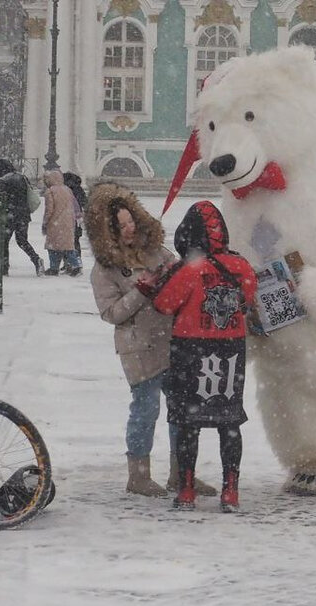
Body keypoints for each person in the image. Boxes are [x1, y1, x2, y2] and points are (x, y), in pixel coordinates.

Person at [86, 183, 217, 499]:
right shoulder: (105, 269)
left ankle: (181, 472)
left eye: (131, 221)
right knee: (146, 409)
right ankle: (139, 476)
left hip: (172, 339)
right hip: (139, 346)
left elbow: (182, 280)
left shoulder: (156, 251)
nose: (129, 229)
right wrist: (141, 291)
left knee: (182, 410)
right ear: (108, 232)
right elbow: (111, 313)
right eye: (121, 226)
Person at [140, 201, 257, 513]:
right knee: (229, 423)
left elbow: (165, 304)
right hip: (231, 353)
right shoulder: (241, 265)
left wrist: (154, 286)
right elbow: (249, 295)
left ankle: (187, 489)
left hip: (191, 352)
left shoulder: (191, 269)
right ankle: (230, 490)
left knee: (188, 423)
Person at [0, 158, 43, 275]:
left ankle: (4, 268)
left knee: (4, 241)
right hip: (23, 215)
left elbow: (2, 200)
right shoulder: (22, 177)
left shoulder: (3, 181)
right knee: (22, 241)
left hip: (9, 215)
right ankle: (36, 260)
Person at [41, 170, 81, 277]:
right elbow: (73, 204)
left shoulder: (50, 191)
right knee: (68, 246)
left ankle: (54, 268)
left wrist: (45, 222)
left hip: (55, 222)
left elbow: (49, 209)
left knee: (53, 246)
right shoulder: (67, 189)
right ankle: (75, 266)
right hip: (68, 221)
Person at [62, 171, 89, 260]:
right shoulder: (79, 189)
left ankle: (67, 262)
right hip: (77, 219)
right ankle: (77, 259)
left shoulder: (64, 189)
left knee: (65, 241)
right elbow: (85, 203)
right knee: (76, 241)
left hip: (65, 217)